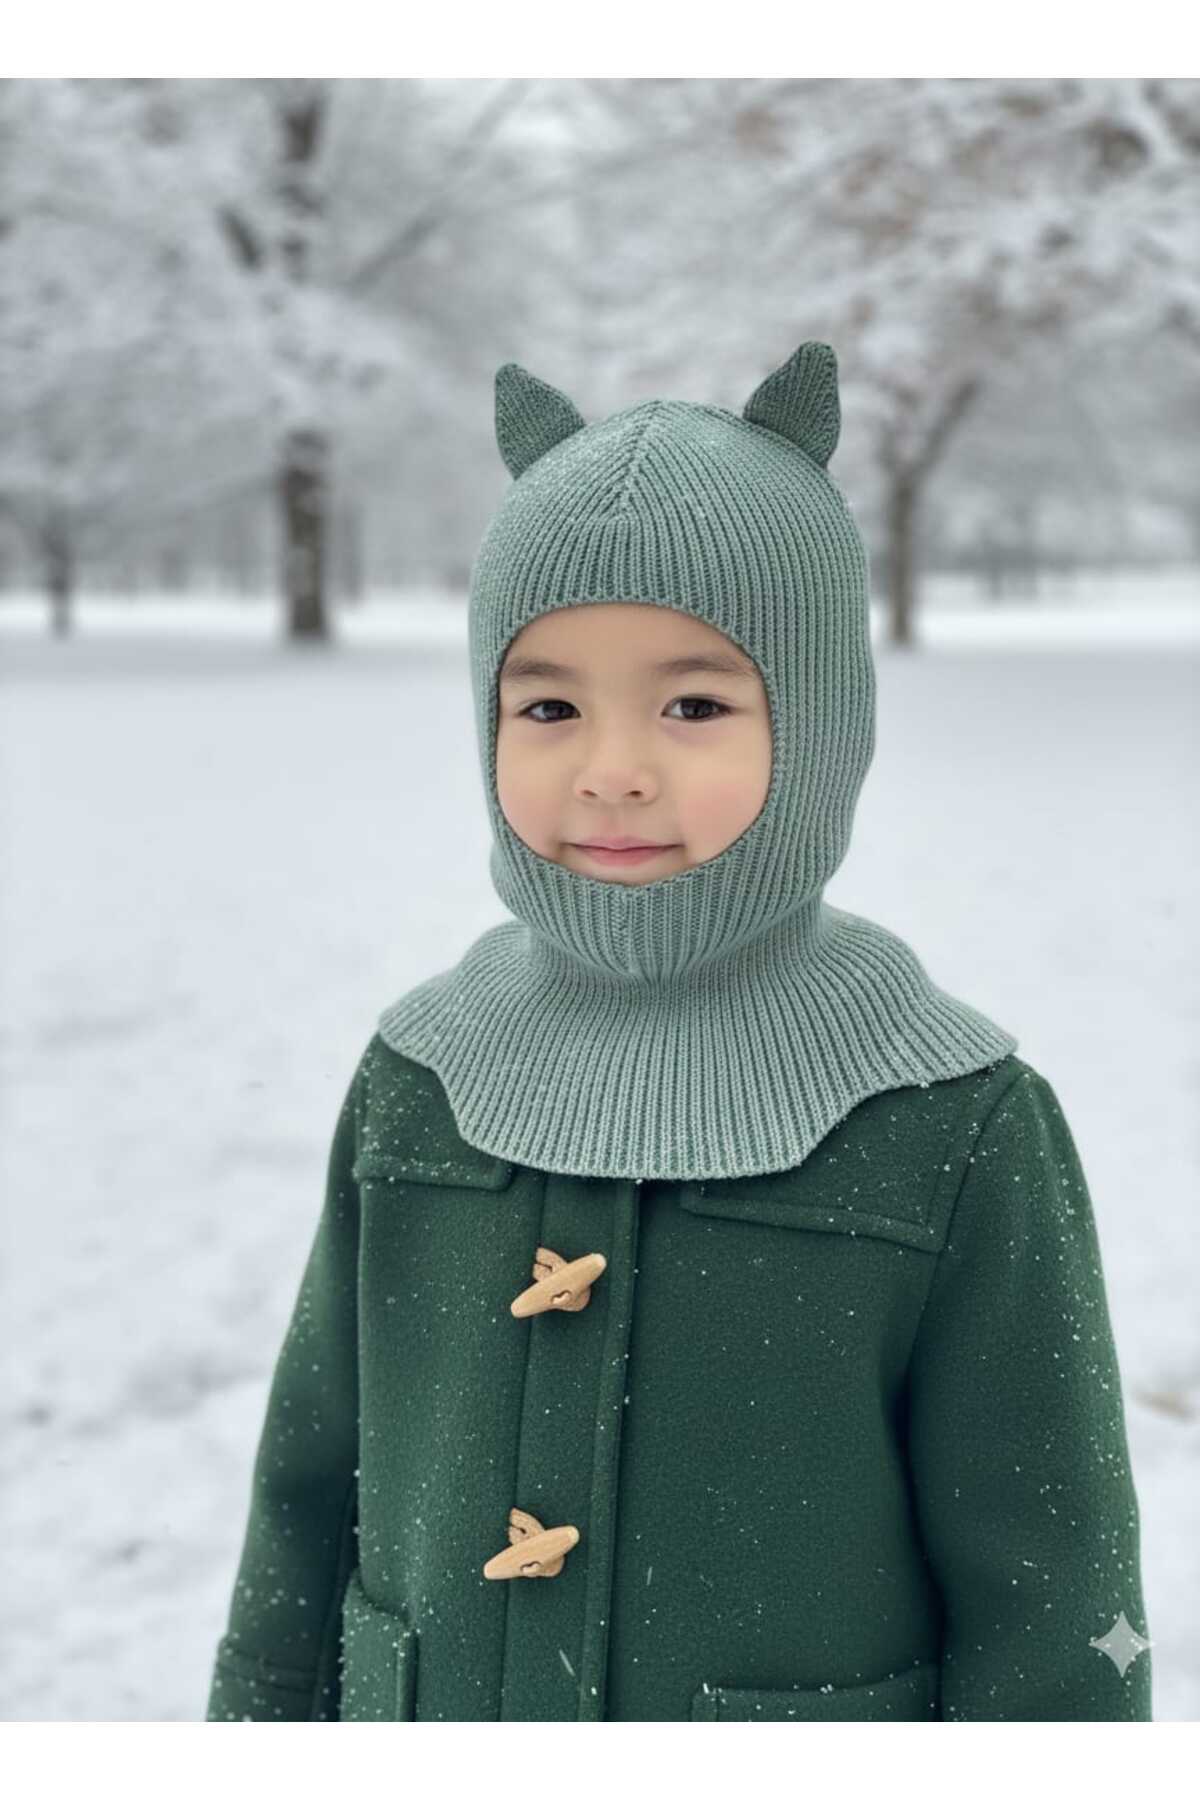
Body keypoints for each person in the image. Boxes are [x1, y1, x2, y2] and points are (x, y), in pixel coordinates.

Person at [205, 342, 1151, 1722]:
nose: (611, 767)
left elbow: (1051, 1603)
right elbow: (305, 1503)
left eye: (695, 703)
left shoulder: (951, 1124)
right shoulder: (423, 1076)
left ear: (821, 722)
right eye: (547, 705)